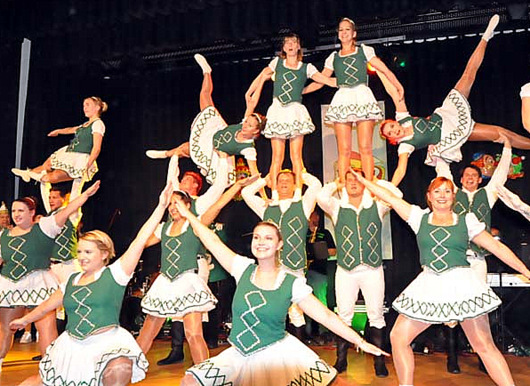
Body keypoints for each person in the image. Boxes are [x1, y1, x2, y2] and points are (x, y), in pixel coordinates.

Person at [172, 199, 388, 386]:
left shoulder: (291, 283)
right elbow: (212, 240)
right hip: (239, 353)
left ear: (279, 245)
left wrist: (359, 341)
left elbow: (326, 316)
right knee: (190, 380)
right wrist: (187, 214)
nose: (261, 242)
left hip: (276, 354)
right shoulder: (241, 268)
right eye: (257, 237)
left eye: (268, 238)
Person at [353, 172, 530, 386]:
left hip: (462, 285)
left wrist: (526, 272)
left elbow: (497, 247)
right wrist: (364, 181)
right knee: (398, 337)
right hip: (429, 284)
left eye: (447, 191)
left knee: (484, 345)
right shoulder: (418, 218)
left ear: (454, 196)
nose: (442, 195)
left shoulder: (467, 221)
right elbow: (391, 198)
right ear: (429, 196)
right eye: (437, 191)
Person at [10, 182, 173, 386]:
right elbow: (47, 306)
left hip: (105, 343)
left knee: (121, 367)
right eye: (79, 252)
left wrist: (160, 207)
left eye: (88, 252)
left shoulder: (115, 274)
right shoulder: (72, 280)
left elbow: (139, 241)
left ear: (104, 254)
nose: (82, 257)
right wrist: (24, 321)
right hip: (71, 346)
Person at [379, 15, 530, 186]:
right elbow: (401, 169)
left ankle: (486, 36)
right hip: (450, 134)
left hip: (447, 113)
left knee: (468, 74)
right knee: (503, 134)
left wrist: (377, 68)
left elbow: (392, 92)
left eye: (391, 127)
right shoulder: (404, 146)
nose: (393, 131)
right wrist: (390, 188)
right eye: (389, 134)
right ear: (391, 139)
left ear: (394, 123)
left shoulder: (402, 118)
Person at [154, 174, 259, 366]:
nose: (174, 206)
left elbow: (217, 203)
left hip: (195, 265)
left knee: (194, 322)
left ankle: (203, 365)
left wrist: (236, 185)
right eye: (172, 203)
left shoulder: (198, 207)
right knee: (170, 315)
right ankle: (177, 350)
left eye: (188, 180)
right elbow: (144, 240)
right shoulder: (168, 221)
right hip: (174, 270)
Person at [0, 181, 100, 371]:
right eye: (14, 211)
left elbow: (66, 210)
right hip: (9, 285)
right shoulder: (3, 236)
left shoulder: (44, 227)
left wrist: (85, 195)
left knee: (46, 330)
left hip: (39, 283)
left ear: (32, 213)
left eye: (21, 210)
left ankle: (50, 372)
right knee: (5, 330)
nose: (17, 215)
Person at [317, 171, 401, 377]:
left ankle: (379, 361)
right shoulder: (337, 207)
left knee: (376, 316)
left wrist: (373, 182)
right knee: (343, 316)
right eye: (349, 180)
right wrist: (335, 183)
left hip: (372, 270)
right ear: (344, 184)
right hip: (346, 270)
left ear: (364, 184)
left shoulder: (377, 205)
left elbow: (396, 194)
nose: (353, 183)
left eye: (357, 180)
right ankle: (341, 359)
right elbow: (321, 197)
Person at [304, 17, 403, 182]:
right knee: (344, 150)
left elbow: (383, 69)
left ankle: (369, 186)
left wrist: (397, 84)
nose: (343, 33)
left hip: (362, 95)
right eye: (341, 30)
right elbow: (320, 80)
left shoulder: (364, 50)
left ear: (354, 33)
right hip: (343, 98)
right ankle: (343, 187)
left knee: (365, 147)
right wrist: (301, 92)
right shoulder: (333, 57)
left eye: (347, 29)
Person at [146, 54, 267, 186]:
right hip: (215, 130)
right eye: (246, 121)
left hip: (216, 154)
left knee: (186, 148)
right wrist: (261, 81)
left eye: (249, 125)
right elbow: (252, 103)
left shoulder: (248, 148)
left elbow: (255, 174)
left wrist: (264, 197)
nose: (245, 125)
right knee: (204, 95)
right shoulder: (243, 124)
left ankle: (165, 154)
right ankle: (207, 72)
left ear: (256, 131)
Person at [245, 33, 336, 190]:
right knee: (277, 158)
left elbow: (321, 80)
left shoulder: (307, 67)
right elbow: (262, 76)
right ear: (283, 47)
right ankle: (274, 194)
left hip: (295, 111)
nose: (290, 45)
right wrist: (249, 92)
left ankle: (297, 194)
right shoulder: (277, 63)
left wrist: (339, 83)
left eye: (294, 42)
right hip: (277, 110)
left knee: (296, 156)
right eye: (287, 42)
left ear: (299, 46)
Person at [241, 170, 321, 337]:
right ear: (275, 186)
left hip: (294, 264)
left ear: (294, 185)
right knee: (271, 307)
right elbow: (246, 192)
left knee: (296, 310)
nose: (284, 183)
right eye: (280, 180)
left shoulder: (303, 205)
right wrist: (265, 180)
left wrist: (302, 175)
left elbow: (316, 185)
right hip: (272, 266)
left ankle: (297, 349)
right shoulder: (267, 207)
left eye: (288, 180)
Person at [12, 97, 108, 196]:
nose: (84, 108)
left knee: (51, 178)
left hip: (81, 158)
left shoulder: (98, 124)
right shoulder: (86, 124)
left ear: (97, 107)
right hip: (71, 153)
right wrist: (58, 131)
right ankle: (28, 173)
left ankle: (31, 174)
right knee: (48, 164)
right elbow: (70, 129)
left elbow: (96, 147)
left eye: (87, 105)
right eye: (84, 105)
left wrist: (88, 164)